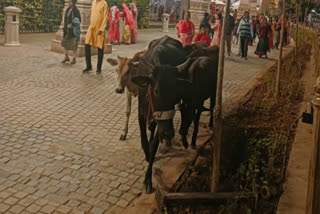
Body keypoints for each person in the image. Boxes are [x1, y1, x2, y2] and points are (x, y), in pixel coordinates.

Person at [83, 0, 108, 74]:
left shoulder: (104, 3)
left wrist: (102, 29)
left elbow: (105, 17)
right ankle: (89, 66)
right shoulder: (93, 2)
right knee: (87, 44)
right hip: (92, 28)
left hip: (99, 29)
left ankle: (98, 68)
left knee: (100, 48)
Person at [61, 0, 81, 65]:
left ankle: (74, 58)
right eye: (69, 1)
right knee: (64, 42)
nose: (69, 3)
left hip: (73, 31)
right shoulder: (68, 9)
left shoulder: (76, 11)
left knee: (74, 45)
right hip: (67, 30)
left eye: (70, 1)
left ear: (74, 2)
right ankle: (66, 56)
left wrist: (72, 24)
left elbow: (78, 20)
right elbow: (65, 19)